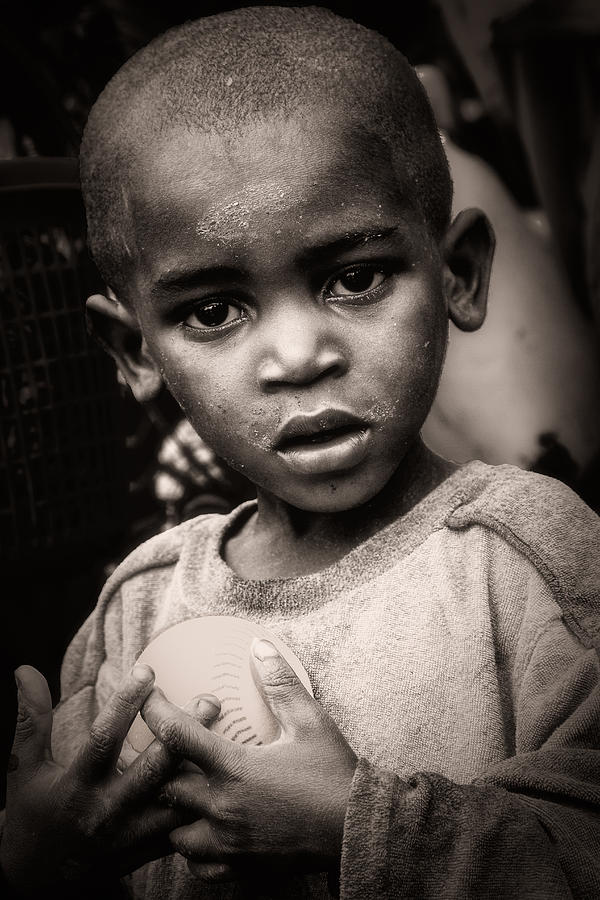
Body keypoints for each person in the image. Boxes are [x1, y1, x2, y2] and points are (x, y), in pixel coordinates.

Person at [2, 6, 600, 898]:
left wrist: (353, 823)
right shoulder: (137, 608)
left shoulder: (530, 563)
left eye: (354, 279)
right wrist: (38, 863)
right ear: (134, 354)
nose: (296, 359)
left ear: (460, 277)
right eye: (213, 311)